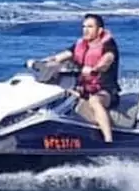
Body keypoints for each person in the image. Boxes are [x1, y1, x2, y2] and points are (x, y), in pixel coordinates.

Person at [39, 14, 121, 143]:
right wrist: (44, 62)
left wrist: (95, 69)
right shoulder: (80, 44)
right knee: (55, 87)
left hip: (106, 91)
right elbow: (62, 56)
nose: (85, 30)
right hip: (83, 88)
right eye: (84, 26)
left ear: (99, 30)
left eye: (90, 26)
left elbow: (107, 60)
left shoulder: (108, 45)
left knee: (95, 101)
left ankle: (108, 140)